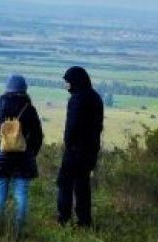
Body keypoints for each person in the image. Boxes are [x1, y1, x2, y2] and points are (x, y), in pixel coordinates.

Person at [0, 75, 43, 231]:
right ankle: (18, 232)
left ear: (7, 88)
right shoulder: (29, 108)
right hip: (23, 159)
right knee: (21, 196)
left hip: (0, 159)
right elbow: (37, 136)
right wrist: (30, 153)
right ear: (24, 89)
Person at [57, 66, 104, 228]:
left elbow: (72, 127)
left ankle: (64, 218)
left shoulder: (77, 99)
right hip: (91, 150)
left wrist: (68, 144)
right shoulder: (95, 97)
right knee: (83, 185)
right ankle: (84, 221)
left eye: (68, 82)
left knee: (65, 183)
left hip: (75, 151)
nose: (66, 85)